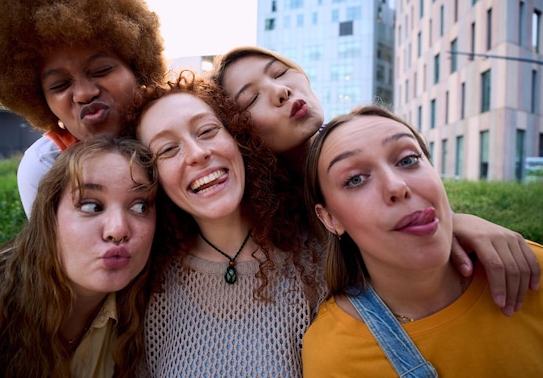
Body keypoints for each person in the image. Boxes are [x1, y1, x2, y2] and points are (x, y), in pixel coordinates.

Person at [209, 45, 540, 316]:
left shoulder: (366, 135)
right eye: (251, 98)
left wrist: (455, 223)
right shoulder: (258, 225)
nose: (280, 91)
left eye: (280, 73)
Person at [302, 105, 543, 377]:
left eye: (407, 160)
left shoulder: (527, 268)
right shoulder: (333, 356)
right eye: (355, 179)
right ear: (331, 219)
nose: (397, 186)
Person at [126, 71, 324, 377]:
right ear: (152, 178)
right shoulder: (145, 288)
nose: (197, 154)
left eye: (207, 131)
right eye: (167, 149)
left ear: (238, 138)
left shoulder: (318, 261)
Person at [0, 137, 158, 378]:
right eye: (91, 206)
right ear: (48, 218)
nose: (117, 230)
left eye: (139, 207)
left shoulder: (149, 321)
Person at [0, 0, 166, 216]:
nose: (84, 94)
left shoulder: (178, 131)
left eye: (101, 70)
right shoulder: (45, 166)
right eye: (60, 85)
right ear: (39, 100)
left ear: (137, 67)